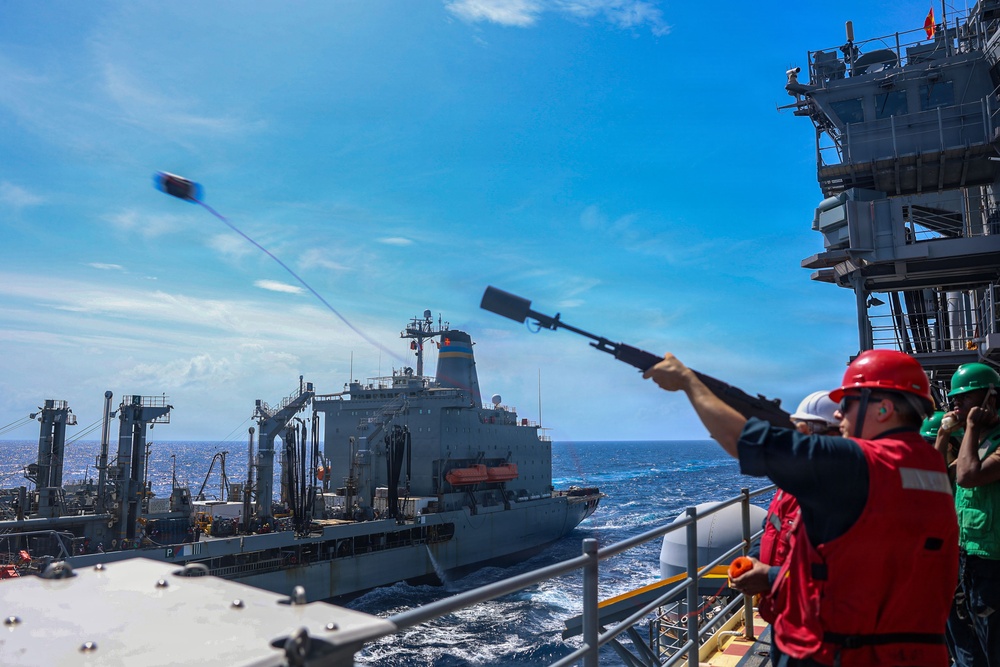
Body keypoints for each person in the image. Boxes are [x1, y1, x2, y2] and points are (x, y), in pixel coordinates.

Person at [644, 349, 958, 666]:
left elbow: (742, 440)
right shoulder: (931, 464)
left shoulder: (859, 464)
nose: (839, 415)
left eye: (848, 404)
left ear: (884, 409)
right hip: (915, 651)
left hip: (842, 653)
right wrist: (775, 576)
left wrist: (687, 381)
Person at [733, 390, 841, 666]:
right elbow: (770, 526)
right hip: (785, 619)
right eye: (797, 429)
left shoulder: (842, 492)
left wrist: (769, 577)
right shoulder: (792, 484)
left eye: (808, 429)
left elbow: (840, 576)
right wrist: (754, 559)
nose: (799, 437)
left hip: (821, 635)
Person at [939, 362, 1000, 666]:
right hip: (970, 556)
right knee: (973, 636)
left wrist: (972, 427)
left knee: (994, 644)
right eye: (954, 400)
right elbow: (940, 476)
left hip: (994, 560)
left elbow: (968, 476)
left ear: (991, 398)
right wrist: (944, 432)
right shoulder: (974, 440)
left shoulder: (995, 439)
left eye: (964, 398)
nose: (956, 405)